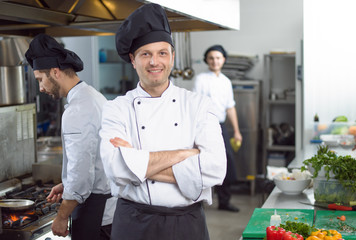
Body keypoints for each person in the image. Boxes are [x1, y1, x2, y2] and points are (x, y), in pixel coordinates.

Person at [99, 3, 226, 240]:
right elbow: (116, 168)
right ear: (133, 59)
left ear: (173, 57)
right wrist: (187, 154)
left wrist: (137, 164)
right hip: (133, 223)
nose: (154, 62)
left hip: (188, 223)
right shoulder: (116, 108)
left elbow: (215, 169)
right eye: (145, 54)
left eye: (162, 53)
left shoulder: (198, 105)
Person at [25, 33, 116, 240]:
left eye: (40, 79)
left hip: (96, 215)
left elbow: (81, 173)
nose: (40, 88)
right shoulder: (93, 97)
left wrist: (62, 216)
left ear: (55, 72)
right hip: (107, 211)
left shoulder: (77, 110)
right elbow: (94, 160)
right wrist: (66, 185)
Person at [193, 45, 243, 212]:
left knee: (226, 162)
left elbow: (230, 107)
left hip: (221, 126)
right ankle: (197, 201)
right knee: (201, 162)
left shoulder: (226, 81)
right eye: (211, 58)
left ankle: (224, 201)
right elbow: (196, 104)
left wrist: (236, 131)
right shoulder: (201, 79)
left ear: (224, 60)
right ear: (207, 60)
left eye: (218, 58)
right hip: (204, 125)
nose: (215, 61)